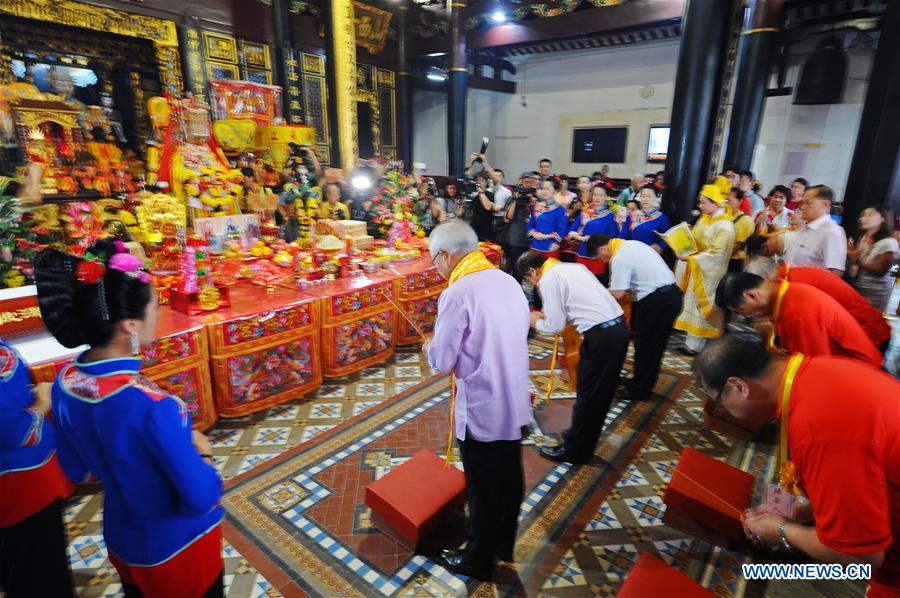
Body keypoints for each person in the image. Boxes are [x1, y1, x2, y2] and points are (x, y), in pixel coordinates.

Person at [34, 241, 224, 597]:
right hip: (179, 547)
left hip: (123, 537)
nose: (159, 312)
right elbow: (201, 497)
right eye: (156, 304)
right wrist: (203, 453)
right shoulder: (154, 406)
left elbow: (74, 470)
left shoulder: (67, 379)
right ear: (131, 325)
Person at [693, 337, 900, 597]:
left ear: (738, 387)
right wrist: (803, 511)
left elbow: (862, 559)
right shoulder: (810, 372)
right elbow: (862, 476)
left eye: (719, 402)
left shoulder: (818, 430)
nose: (722, 410)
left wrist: (781, 530)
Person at [424, 221, 531, 581]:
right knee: (509, 476)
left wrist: (429, 347)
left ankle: (478, 560)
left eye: (433, 261)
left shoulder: (458, 293)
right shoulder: (507, 280)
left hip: (483, 404)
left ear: (446, 255)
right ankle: (504, 543)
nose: (436, 269)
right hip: (514, 395)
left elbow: (442, 360)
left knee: (483, 488)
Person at [518, 251, 628, 465]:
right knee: (592, 393)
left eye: (528, 278)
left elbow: (555, 326)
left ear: (533, 271)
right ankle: (579, 437)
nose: (531, 282)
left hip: (602, 336)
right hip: (615, 329)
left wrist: (534, 321)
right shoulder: (571, 267)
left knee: (590, 397)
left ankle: (576, 451)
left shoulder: (548, 279)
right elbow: (572, 307)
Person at [0, 340, 74, 598]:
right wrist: (42, 402)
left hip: (24, 482)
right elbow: (12, 431)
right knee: (41, 573)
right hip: (20, 486)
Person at [716, 271, 883, 368]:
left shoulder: (796, 312)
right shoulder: (787, 293)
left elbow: (815, 369)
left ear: (751, 295)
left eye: (742, 311)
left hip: (861, 371)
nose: (748, 316)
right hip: (847, 365)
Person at [589, 235, 681, 402]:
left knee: (647, 348)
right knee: (649, 346)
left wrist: (595, 292)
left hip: (658, 301)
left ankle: (639, 391)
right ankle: (640, 382)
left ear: (603, 249)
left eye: (601, 257)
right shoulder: (632, 244)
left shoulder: (619, 257)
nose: (603, 261)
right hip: (668, 296)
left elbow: (618, 292)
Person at [745, 257, 892, 353]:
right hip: (856, 335)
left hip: (870, 334)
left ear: (766, 276)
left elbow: (812, 348)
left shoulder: (795, 284)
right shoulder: (788, 278)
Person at [673, 180, 735, 355]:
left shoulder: (725, 226)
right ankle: (691, 344)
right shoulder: (705, 218)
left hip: (709, 272)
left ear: (715, 203)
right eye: (699, 202)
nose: (700, 206)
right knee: (692, 304)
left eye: (703, 202)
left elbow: (717, 253)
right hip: (696, 267)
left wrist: (690, 258)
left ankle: (699, 346)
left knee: (702, 306)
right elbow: (695, 239)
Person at [786, 185, 846, 275]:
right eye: (802, 203)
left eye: (808, 203)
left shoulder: (831, 231)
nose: (802, 207)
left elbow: (835, 273)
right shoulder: (805, 227)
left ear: (825, 204)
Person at [848, 206, 899, 312]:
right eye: (863, 215)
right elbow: (854, 270)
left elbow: (881, 270)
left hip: (875, 294)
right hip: (858, 288)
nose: (863, 218)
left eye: (870, 215)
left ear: (883, 219)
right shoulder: (864, 238)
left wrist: (856, 260)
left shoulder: (888, 242)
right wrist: (851, 256)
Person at [567, 185, 617, 275]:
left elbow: (612, 236)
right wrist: (581, 238)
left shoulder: (610, 216)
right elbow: (571, 231)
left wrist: (598, 241)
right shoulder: (583, 213)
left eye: (601, 195)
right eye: (595, 195)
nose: (597, 198)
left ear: (606, 197)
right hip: (582, 251)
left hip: (599, 255)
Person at [502, 173, 538, 278]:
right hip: (517, 238)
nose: (529, 184)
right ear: (521, 181)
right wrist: (515, 200)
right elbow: (507, 219)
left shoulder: (538, 198)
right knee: (517, 268)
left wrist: (534, 204)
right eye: (526, 182)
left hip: (534, 239)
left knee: (531, 269)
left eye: (531, 182)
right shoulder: (514, 197)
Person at [527, 179, 568, 258]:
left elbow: (562, 230)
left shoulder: (560, 209)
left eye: (547, 189)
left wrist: (546, 236)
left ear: (555, 191)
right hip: (535, 245)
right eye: (543, 188)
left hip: (550, 246)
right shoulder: (537, 207)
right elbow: (530, 224)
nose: (544, 191)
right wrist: (534, 233)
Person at [623, 187, 669, 253]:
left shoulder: (662, 218)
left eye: (649, 196)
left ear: (656, 198)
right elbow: (623, 235)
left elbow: (665, 239)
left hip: (651, 254)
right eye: (643, 196)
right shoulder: (631, 216)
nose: (645, 199)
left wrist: (659, 247)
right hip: (631, 252)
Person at [727, 190, 756, 271]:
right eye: (724, 200)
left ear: (740, 201)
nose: (725, 203)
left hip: (734, 261)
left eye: (729, 200)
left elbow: (738, 246)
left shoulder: (746, 221)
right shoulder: (723, 217)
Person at [470, 172, 495, 242]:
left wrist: (481, 192)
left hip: (486, 231)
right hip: (474, 230)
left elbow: (488, 207)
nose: (479, 183)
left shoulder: (490, 195)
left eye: (481, 181)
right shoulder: (474, 197)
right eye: (477, 181)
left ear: (486, 182)